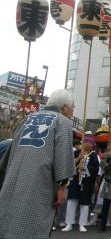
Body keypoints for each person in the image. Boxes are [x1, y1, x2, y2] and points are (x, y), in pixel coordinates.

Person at [0, 89, 76, 239]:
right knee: (33, 219)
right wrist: (62, 185)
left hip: (14, 176)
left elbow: (12, 150)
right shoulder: (62, 122)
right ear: (64, 107)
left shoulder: (27, 119)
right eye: (73, 106)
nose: (73, 110)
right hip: (40, 180)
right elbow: (63, 154)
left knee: (8, 214)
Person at [62, 136, 99, 232]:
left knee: (85, 203)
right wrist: (79, 158)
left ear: (92, 145)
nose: (87, 144)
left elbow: (96, 169)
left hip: (87, 182)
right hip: (75, 181)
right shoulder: (76, 153)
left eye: (89, 143)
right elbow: (69, 165)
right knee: (71, 201)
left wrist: (86, 169)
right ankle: (69, 223)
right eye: (86, 142)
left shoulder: (93, 155)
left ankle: (82, 224)